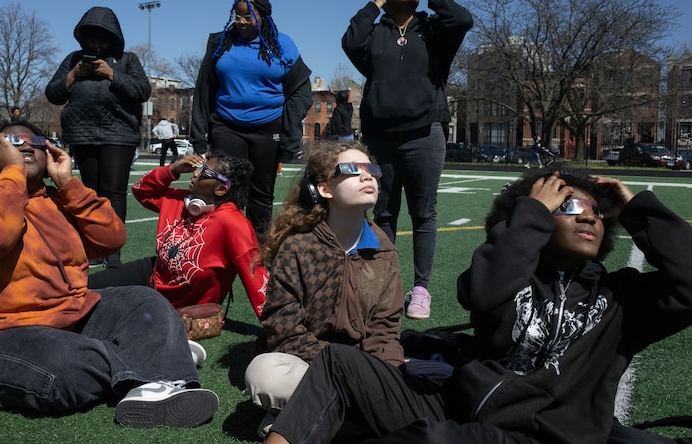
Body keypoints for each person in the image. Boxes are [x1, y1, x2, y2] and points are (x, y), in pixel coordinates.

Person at [263, 167, 692, 444]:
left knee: (432, 441)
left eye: (598, 211)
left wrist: (636, 208)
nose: (589, 217)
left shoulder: (620, 299)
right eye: (569, 206)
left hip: (538, 435)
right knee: (340, 362)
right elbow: (484, 293)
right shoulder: (508, 270)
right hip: (458, 407)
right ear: (533, 217)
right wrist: (528, 216)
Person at [0, 120, 218, 428]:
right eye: (13, 141)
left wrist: (68, 184)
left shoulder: (55, 199)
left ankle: (154, 373)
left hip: (64, 320)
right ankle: (156, 357)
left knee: (145, 301)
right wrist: (11, 174)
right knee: (66, 368)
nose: (28, 145)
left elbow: (111, 239)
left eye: (36, 141)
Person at [245, 140, 404, 438]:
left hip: (361, 369)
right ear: (324, 189)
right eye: (351, 170)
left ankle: (304, 418)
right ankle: (337, 416)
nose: (367, 176)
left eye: (371, 170)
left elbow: (386, 327)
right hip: (307, 363)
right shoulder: (298, 246)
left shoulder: (384, 251)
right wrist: (337, 367)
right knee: (264, 373)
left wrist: (385, 375)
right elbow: (284, 327)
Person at [342, 0, 473, 320]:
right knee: (383, 212)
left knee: (423, 212)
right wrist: (376, 4)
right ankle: (385, 286)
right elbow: (351, 41)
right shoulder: (375, 32)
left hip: (424, 133)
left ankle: (421, 289)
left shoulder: (434, 31)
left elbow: (463, 20)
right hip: (380, 135)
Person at [88, 152, 268, 319]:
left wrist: (278, 327)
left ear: (220, 189)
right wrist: (172, 170)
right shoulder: (180, 200)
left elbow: (255, 276)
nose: (196, 173)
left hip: (184, 307)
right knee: (85, 287)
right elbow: (140, 190)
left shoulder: (233, 223)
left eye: (205, 171)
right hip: (154, 273)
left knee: (106, 313)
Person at [191, 0, 313, 238]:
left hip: (268, 127)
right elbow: (203, 89)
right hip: (226, 125)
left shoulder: (283, 44)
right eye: (238, 16)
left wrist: (288, 126)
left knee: (261, 192)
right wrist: (199, 137)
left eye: (249, 16)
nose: (242, 22)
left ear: (264, 16)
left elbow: (301, 91)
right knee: (224, 188)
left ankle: (258, 250)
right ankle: (224, 243)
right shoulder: (220, 42)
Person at [45, 6, 151, 267]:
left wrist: (112, 74)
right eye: (91, 39)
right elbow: (53, 93)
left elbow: (142, 91)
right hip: (82, 135)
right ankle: (92, 247)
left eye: (102, 38)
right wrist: (72, 76)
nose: (96, 44)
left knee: (113, 191)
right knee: (90, 192)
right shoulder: (73, 60)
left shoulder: (128, 60)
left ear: (113, 38)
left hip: (119, 133)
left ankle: (112, 252)